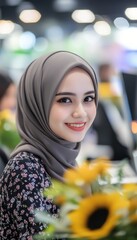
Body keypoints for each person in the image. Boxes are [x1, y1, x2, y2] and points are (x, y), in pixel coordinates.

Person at [0, 51, 98, 239]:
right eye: (65, 100)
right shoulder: (25, 170)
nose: (81, 112)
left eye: (88, 99)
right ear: (37, 103)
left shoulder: (64, 161)